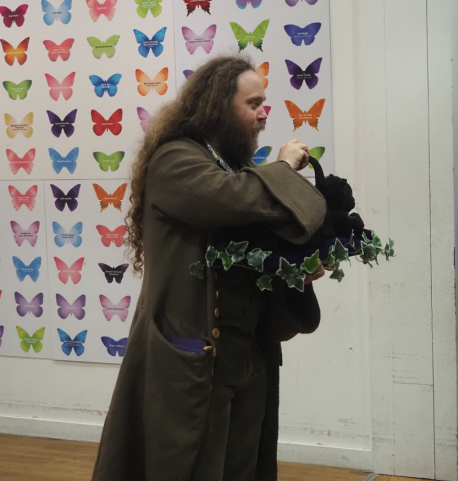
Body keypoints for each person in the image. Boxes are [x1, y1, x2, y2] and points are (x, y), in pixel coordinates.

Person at [91, 55, 327, 481]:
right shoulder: (175, 160)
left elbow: (255, 234)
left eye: (263, 103)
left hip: (250, 351)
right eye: (253, 103)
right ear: (219, 106)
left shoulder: (234, 164)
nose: (264, 113)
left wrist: (295, 269)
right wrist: (282, 167)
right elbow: (232, 199)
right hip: (199, 355)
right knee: (196, 467)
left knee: (242, 467)